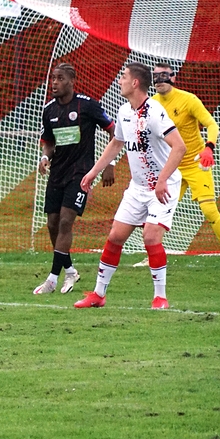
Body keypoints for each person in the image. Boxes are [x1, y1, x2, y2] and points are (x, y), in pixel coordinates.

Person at [74, 63, 186, 310]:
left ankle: (160, 298)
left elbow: (180, 147)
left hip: (163, 187)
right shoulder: (124, 111)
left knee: (151, 236)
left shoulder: (154, 112)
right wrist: (93, 173)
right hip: (138, 187)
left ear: (135, 83)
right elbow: (117, 143)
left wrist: (162, 179)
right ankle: (98, 295)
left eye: (123, 77)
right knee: (115, 236)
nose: (120, 81)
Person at [34, 63, 116, 294]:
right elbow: (49, 142)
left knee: (65, 222)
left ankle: (52, 279)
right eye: (53, 78)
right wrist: (44, 157)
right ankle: (70, 271)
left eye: (60, 78)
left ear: (71, 81)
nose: (54, 83)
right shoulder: (49, 110)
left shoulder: (87, 105)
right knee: (52, 224)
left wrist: (109, 164)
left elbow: (113, 130)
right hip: (57, 172)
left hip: (81, 173)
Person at [152, 62, 220, 267]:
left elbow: (211, 124)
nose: (159, 80)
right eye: (155, 76)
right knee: (158, 212)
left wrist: (209, 148)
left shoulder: (188, 99)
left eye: (164, 75)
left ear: (173, 77)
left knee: (209, 210)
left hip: (196, 164)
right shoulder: (151, 104)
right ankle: (153, 256)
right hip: (171, 168)